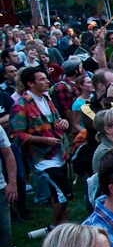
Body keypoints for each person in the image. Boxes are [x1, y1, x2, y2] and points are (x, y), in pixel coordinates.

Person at [10, 65, 73, 228]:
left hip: (59, 153)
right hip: (42, 158)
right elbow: (15, 135)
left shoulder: (47, 99)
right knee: (64, 194)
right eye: (42, 79)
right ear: (30, 83)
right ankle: (53, 226)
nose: (47, 81)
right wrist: (44, 141)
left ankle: (62, 226)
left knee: (56, 193)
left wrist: (63, 122)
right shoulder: (21, 105)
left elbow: (56, 121)